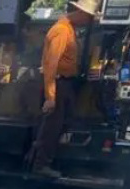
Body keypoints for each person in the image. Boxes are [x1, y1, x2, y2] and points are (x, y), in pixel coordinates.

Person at [32, 0, 99, 178]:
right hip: (58, 84)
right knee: (52, 126)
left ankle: (40, 156)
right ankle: (40, 165)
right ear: (79, 12)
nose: (88, 21)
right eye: (88, 17)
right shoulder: (61, 31)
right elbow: (50, 65)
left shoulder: (69, 30)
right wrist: (50, 96)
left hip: (66, 83)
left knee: (65, 120)